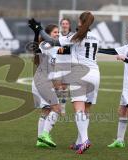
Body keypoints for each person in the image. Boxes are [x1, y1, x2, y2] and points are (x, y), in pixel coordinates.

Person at [28, 11, 100, 154]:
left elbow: (54, 43)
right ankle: (79, 141)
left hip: (80, 74)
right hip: (95, 74)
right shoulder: (96, 37)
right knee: (85, 110)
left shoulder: (75, 37)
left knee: (74, 109)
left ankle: (83, 140)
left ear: (79, 22)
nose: (57, 33)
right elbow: (49, 47)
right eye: (55, 31)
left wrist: (39, 30)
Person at [31, 24, 61, 148]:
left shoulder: (52, 46)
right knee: (57, 109)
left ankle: (40, 140)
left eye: (58, 32)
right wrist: (37, 33)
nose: (58, 34)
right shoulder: (46, 45)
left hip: (41, 82)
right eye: (55, 32)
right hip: (42, 83)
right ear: (48, 35)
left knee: (46, 110)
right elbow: (37, 49)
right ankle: (44, 134)